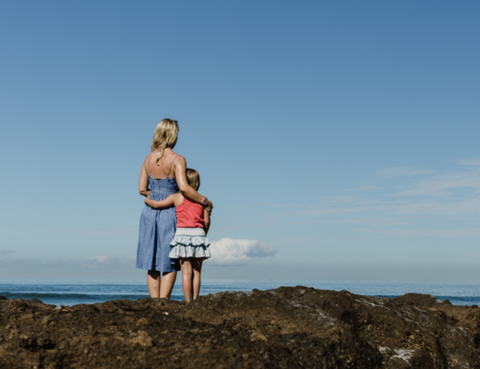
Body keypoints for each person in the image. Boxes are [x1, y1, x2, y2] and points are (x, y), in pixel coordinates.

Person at [137, 119, 213, 299]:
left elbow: (141, 189)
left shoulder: (148, 159)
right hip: (169, 212)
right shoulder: (178, 159)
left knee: (152, 262)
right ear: (173, 135)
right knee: (169, 262)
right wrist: (204, 201)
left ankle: (154, 303)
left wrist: (154, 195)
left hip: (149, 213)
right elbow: (185, 188)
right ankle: (164, 303)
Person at [145, 168, 211, 302]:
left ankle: (187, 301)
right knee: (197, 272)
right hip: (199, 235)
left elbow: (157, 205)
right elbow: (207, 221)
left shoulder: (177, 197)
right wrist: (203, 234)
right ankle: (196, 300)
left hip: (182, 235)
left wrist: (148, 201)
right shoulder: (202, 200)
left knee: (186, 272)